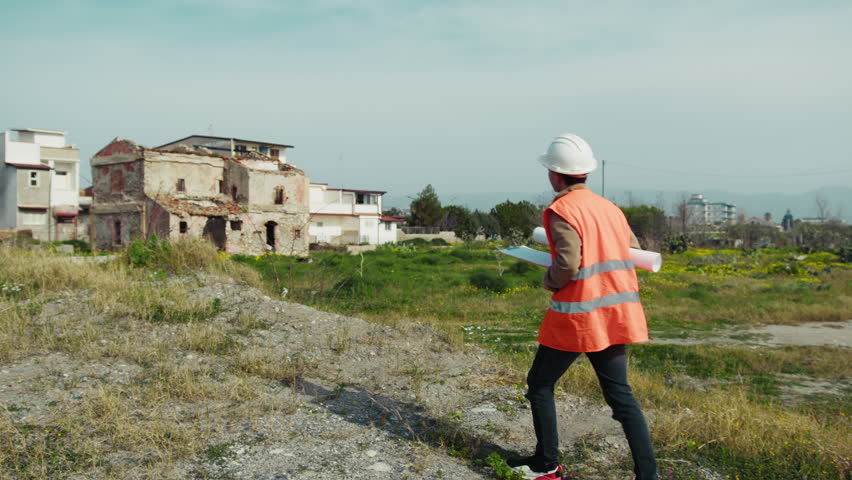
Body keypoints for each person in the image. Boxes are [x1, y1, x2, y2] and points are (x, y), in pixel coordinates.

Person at [509, 133, 658, 480]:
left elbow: (568, 263)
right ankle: (648, 476)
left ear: (554, 174)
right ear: (586, 172)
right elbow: (631, 250)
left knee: (540, 384)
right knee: (621, 398)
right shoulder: (610, 209)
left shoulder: (561, 209)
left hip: (577, 318)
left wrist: (549, 278)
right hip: (615, 316)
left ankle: (547, 464)